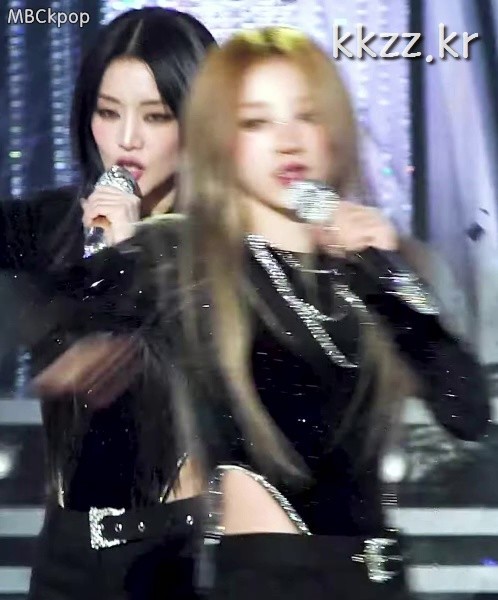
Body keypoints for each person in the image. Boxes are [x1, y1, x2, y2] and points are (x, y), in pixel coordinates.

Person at [11, 27, 490, 600]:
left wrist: (391, 278)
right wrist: (105, 261)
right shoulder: (183, 256)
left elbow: (465, 409)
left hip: (380, 578)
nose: (288, 142)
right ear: (220, 141)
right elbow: (66, 329)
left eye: (306, 116)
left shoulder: (366, 272)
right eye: (257, 122)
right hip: (264, 575)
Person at [0, 7, 216, 600]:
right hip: (68, 555)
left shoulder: (225, 250)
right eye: (107, 112)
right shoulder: (50, 226)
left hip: (182, 555)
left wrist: (124, 256)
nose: (126, 139)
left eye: (156, 116)